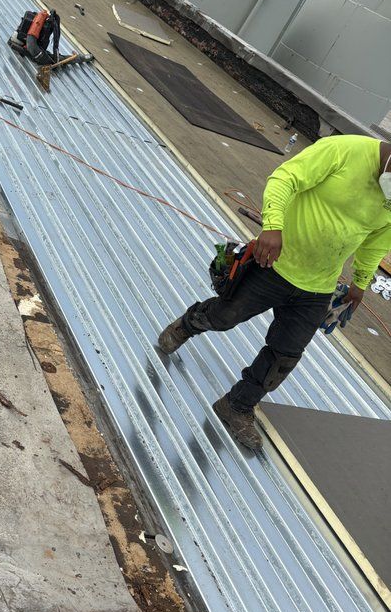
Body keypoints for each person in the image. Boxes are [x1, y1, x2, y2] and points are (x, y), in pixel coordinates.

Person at [158, 135, 391, 449]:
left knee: (284, 356)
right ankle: (188, 324)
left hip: (317, 287)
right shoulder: (343, 150)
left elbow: (376, 241)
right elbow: (285, 179)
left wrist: (360, 284)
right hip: (274, 263)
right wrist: (272, 226)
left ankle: (236, 406)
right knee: (225, 317)